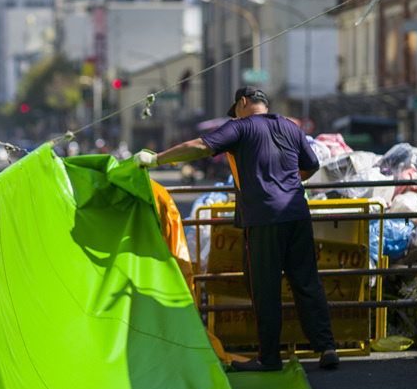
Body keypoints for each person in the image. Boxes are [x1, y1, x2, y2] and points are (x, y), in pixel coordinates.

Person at [133, 86, 339, 372]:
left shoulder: (240, 127)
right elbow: (312, 165)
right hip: (297, 214)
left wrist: (156, 159)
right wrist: (288, 185)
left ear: (243, 103)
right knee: (307, 281)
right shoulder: (291, 128)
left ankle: (270, 358)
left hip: (264, 218)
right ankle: (327, 347)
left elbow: (201, 146)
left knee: (264, 289)